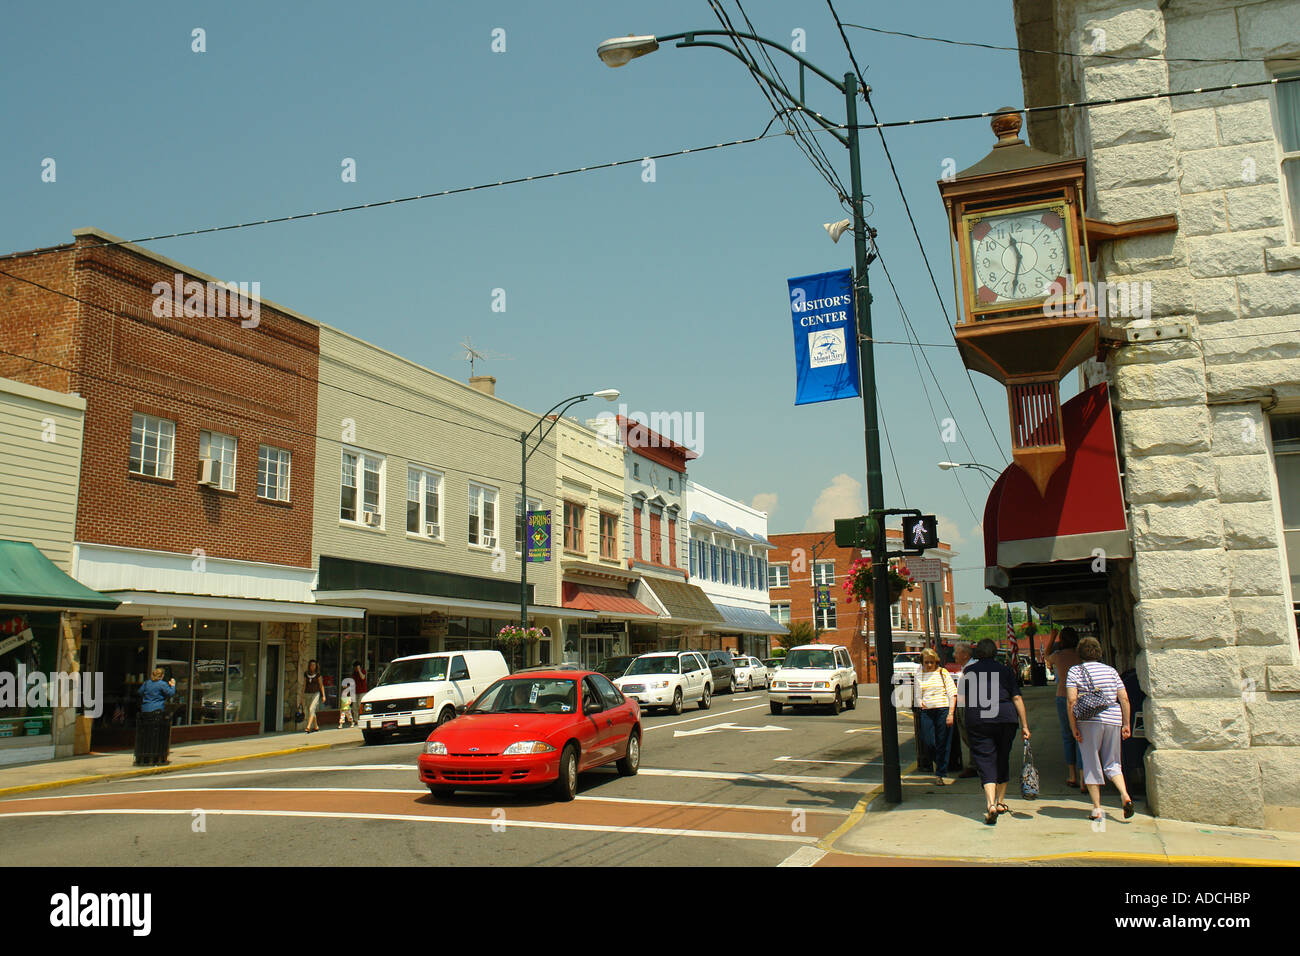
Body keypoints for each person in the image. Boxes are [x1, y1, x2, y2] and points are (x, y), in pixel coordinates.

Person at [961, 638, 1030, 825]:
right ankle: (1000, 802)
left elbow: (964, 699)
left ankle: (990, 804)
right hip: (1005, 717)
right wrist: (1024, 725)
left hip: (979, 719)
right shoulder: (1006, 671)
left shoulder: (969, 671)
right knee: (1002, 756)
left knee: (985, 759)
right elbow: (1016, 698)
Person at [1067, 637, 1134, 822]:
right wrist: (1126, 724)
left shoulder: (1075, 671)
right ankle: (1124, 794)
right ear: (1099, 652)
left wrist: (1073, 726)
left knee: (1091, 761)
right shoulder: (1111, 671)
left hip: (1088, 720)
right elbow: (1125, 698)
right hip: (1113, 717)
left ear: (1080, 653)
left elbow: (1072, 700)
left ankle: (1097, 808)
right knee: (1113, 762)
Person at [1044, 626, 1085, 789]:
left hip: (1062, 696)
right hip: (1081, 696)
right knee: (1081, 736)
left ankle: (1072, 775)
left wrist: (1052, 637)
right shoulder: (1080, 656)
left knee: (1067, 735)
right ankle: (1083, 779)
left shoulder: (1058, 656)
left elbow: (1045, 656)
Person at [915, 648, 957, 785]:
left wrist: (950, 713)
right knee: (928, 741)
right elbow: (917, 693)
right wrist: (919, 702)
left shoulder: (942, 673)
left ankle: (940, 773)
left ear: (936, 662)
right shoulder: (919, 674)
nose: (929, 665)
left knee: (942, 742)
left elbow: (952, 693)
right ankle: (938, 762)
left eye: (931, 662)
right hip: (927, 711)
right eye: (926, 662)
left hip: (943, 709)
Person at [136, 668, 176, 766]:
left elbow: (140, 692)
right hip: (157, 711)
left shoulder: (146, 683)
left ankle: (144, 755)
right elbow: (170, 693)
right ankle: (156, 754)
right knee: (156, 733)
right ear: (162, 676)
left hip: (145, 711)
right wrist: (173, 685)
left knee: (146, 733)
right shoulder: (162, 684)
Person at [953, 642, 977, 778]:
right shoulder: (965, 668)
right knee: (967, 737)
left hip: (969, 707)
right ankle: (975, 764)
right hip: (963, 706)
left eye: (957, 652)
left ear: (965, 655)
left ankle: (974, 766)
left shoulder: (972, 668)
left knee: (971, 736)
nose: (954, 655)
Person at [302, 659, 325, 733]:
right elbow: (304, 685)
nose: (312, 666)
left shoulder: (318, 674)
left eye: (314, 665)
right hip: (308, 693)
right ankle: (316, 726)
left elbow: (321, 685)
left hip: (316, 693)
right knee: (311, 710)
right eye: (311, 665)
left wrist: (323, 695)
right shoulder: (306, 674)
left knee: (312, 709)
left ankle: (308, 727)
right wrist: (301, 696)